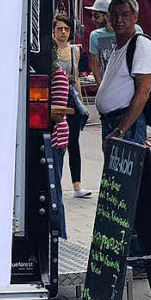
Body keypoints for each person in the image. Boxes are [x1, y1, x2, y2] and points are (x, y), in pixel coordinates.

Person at [95, 0, 151, 150]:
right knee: (113, 174)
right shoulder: (119, 45)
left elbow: (143, 92)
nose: (119, 20)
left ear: (135, 17)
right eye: (115, 15)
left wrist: (121, 130)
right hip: (113, 123)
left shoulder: (141, 45)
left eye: (125, 15)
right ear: (108, 18)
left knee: (127, 174)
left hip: (126, 126)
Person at [54, 14, 91, 199]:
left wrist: (81, 103)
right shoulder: (50, 49)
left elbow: (76, 79)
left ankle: (77, 185)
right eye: (60, 28)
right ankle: (55, 182)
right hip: (55, 97)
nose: (63, 32)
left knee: (73, 142)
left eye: (66, 29)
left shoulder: (75, 50)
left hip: (71, 97)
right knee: (57, 141)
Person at [48, 49, 74, 238]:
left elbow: (58, 113)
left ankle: (60, 234)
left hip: (56, 138)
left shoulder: (58, 76)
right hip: (55, 136)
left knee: (54, 189)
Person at [87, 0, 143, 80]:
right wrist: (101, 87)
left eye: (96, 15)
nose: (93, 19)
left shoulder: (135, 30)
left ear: (107, 16)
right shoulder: (95, 36)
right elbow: (95, 65)